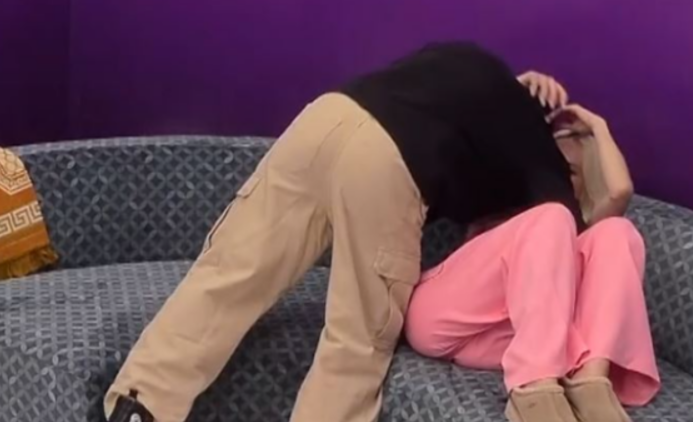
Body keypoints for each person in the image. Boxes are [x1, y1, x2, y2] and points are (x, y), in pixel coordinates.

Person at [105, 42, 585, 422]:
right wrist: (596, 136)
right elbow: (577, 240)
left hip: (325, 118)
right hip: (386, 162)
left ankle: (140, 404)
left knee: (228, 274)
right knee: (358, 338)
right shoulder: (539, 155)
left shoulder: (474, 69)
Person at [405, 96, 661, 422]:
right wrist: (513, 96)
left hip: (508, 341)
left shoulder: (584, 230)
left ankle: (590, 384)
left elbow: (619, 192)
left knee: (618, 231)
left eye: (571, 172)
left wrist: (599, 126)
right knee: (551, 218)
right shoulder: (507, 195)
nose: (559, 177)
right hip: (445, 316)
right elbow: (464, 148)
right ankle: (533, 387)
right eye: (552, 166)